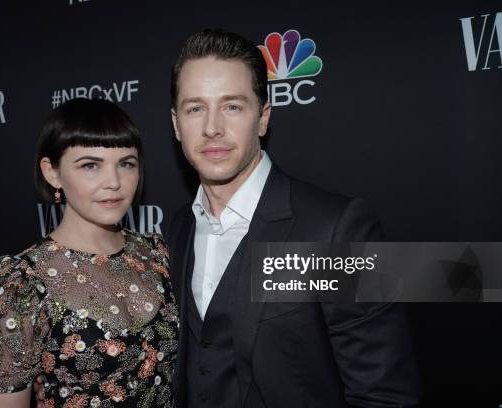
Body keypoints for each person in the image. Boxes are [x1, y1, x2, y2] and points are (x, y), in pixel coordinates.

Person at [164, 29, 421, 407]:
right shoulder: (177, 229)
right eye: (195, 108)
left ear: (263, 117)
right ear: (175, 125)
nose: (212, 127)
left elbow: (384, 395)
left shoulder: (334, 229)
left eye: (232, 106)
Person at [0, 98, 179, 408]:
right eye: (90, 165)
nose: (114, 182)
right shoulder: (22, 284)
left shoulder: (158, 254)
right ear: (52, 172)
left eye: (126, 163)